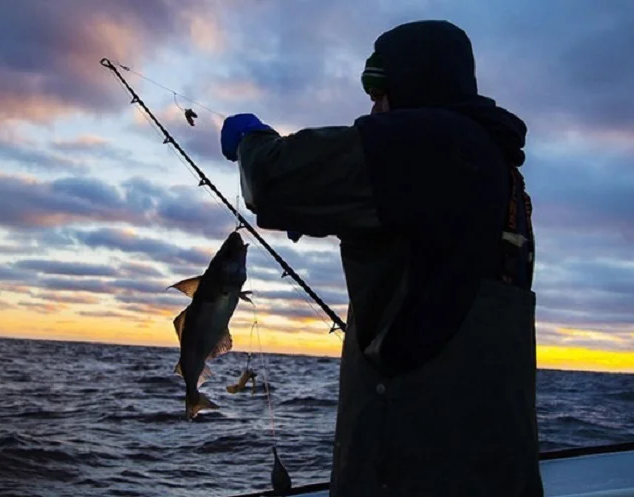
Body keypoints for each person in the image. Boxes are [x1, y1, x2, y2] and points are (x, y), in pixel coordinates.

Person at [219, 19, 543, 497]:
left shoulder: (429, 138)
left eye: (380, 89)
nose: (373, 106)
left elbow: (271, 181)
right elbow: (428, 258)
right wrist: (332, 212)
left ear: (415, 80)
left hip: (411, 465)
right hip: (493, 466)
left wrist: (253, 140)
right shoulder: (493, 166)